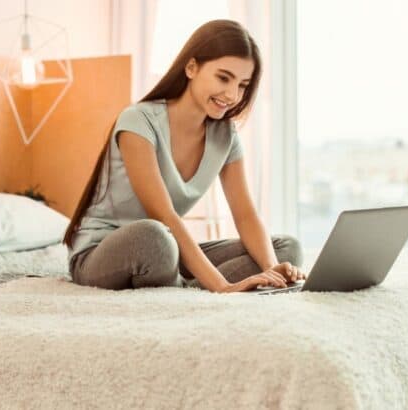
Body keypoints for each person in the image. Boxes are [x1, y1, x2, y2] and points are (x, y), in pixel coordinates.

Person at [63, 19, 306, 293]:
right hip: (105, 252)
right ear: (191, 68)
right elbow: (163, 214)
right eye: (223, 78)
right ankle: (197, 287)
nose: (232, 94)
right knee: (155, 238)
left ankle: (184, 285)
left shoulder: (226, 135)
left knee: (286, 249)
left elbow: (246, 215)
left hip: (167, 249)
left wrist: (271, 269)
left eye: (242, 85)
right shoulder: (138, 121)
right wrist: (223, 286)